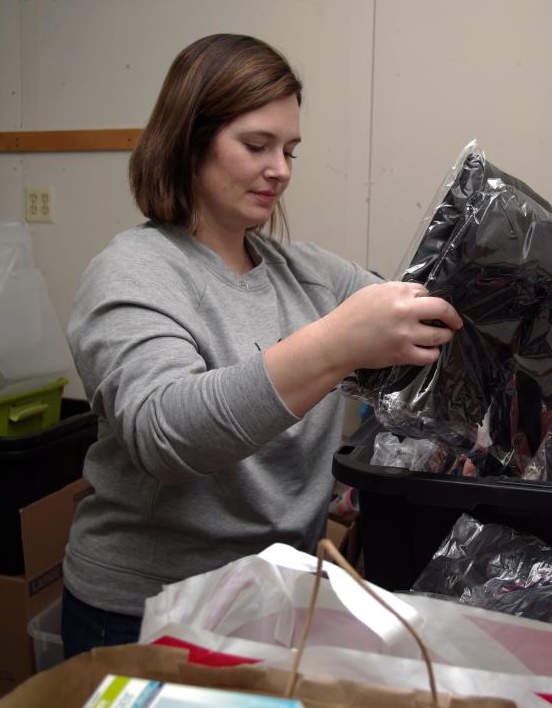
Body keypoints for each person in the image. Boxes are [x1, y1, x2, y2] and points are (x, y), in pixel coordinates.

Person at [60, 33, 462, 658]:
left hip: (279, 604)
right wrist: (336, 345)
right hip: (150, 614)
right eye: (256, 146)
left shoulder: (310, 275)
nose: (280, 169)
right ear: (190, 139)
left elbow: (431, 319)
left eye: (290, 150)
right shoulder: (133, 272)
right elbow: (166, 433)